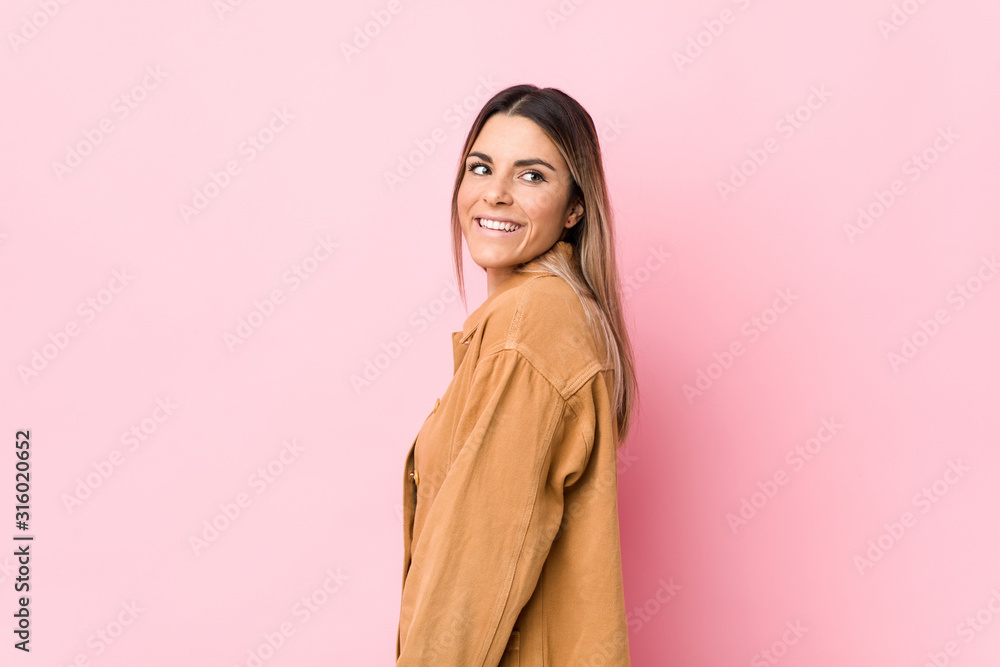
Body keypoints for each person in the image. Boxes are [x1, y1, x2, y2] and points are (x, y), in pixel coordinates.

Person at [396, 84, 639, 666]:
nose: (496, 194)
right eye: (481, 168)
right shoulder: (553, 318)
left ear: (575, 208)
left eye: (532, 176)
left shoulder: (528, 327)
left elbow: (472, 573)